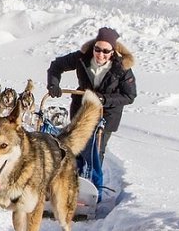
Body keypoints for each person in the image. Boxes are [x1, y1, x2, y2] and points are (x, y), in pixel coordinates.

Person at [46, 27, 136, 161]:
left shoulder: (122, 67)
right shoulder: (82, 57)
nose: (100, 54)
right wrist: (53, 84)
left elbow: (129, 96)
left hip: (106, 115)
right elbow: (57, 65)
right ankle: (74, 176)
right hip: (82, 110)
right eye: (97, 49)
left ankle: (94, 180)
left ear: (113, 52)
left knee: (96, 152)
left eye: (106, 51)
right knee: (76, 147)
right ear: (93, 47)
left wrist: (104, 99)